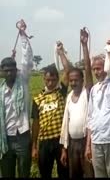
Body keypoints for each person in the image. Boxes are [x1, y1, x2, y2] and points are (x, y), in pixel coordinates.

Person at [84, 40, 110, 178]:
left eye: (99, 68)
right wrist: (89, 145)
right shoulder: (94, 90)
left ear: (106, 67)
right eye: (94, 69)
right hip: (97, 142)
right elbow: (91, 119)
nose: (96, 71)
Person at [31, 41, 70, 178]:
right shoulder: (37, 99)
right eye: (48, 80)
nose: (51, 83)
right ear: (44, 79)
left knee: (64, 173)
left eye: (53, 80)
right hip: (44, 142)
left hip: (60, 141)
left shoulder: (61, 92)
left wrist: (61, 53)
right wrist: (34, 146)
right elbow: (35, 123)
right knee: (45, 173)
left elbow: (68, 70)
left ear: (57, 79)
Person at [0, 20, 33, 177]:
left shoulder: (23, 81)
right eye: (6, 71)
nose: (9, 73)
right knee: (7, 173)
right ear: (2, 72)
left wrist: (22, 35)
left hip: (22, 137)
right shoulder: (1, 92)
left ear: (16, 70)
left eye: (12, 70)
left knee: (24, 173)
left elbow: (27, 59)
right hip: (5, 138)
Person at [59, 28, 94, 178]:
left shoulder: (87, 93)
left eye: (76, 80)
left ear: (82, 81)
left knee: (89, 174)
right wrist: (64, 149)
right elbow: (65, 124)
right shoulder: (68, 97)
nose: (73, 82)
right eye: (71, 80)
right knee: (74, 174)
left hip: (86, 142)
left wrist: (84, 45)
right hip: (72, 144)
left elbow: (87, 69)